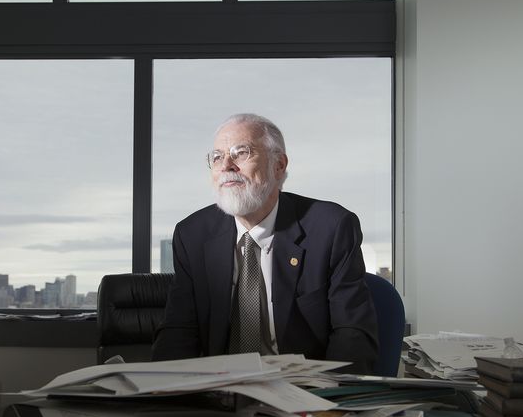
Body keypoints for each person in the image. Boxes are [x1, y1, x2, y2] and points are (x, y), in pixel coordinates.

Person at [152, 113, 378, 373]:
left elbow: (353, 334)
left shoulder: (332, 228)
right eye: (216, 157)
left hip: (303, 389)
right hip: (220, 388)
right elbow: (179, 331)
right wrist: (162, 393)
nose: (226, 165)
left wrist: (324, 400)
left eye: (241, 153)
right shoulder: (192, 234)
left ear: (278, 165)